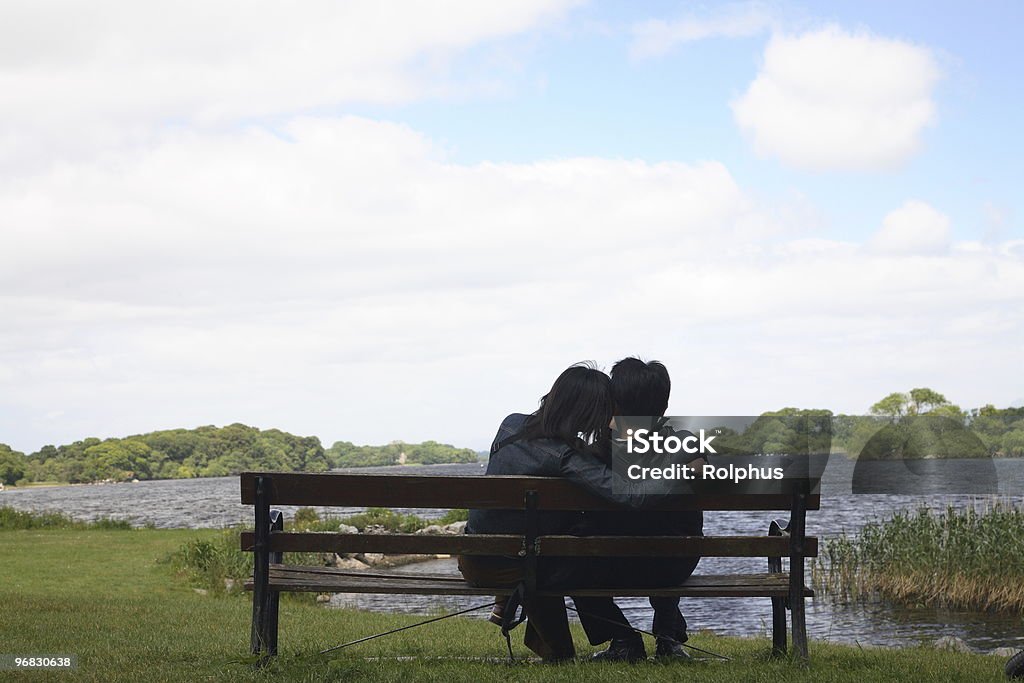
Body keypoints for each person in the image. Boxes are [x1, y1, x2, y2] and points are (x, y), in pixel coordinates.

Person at [459, 363, 662, 662]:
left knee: (555, 544)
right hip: (514, 568)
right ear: (589, 412)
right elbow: (633, 496)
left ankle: (511, 607)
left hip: (474, 558)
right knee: (586, 552)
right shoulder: (566, 457)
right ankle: (623, 639)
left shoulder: (509, 424)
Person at [571, 357, 704, 662]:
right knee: (672, 537)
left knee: (568, 563)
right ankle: (668, 639)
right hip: (675, 565)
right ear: (664, 407)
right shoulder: (684, 446)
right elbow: (701, 470)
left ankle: (623, 639)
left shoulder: (594, 453)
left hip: (610, 566)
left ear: (613, 403)